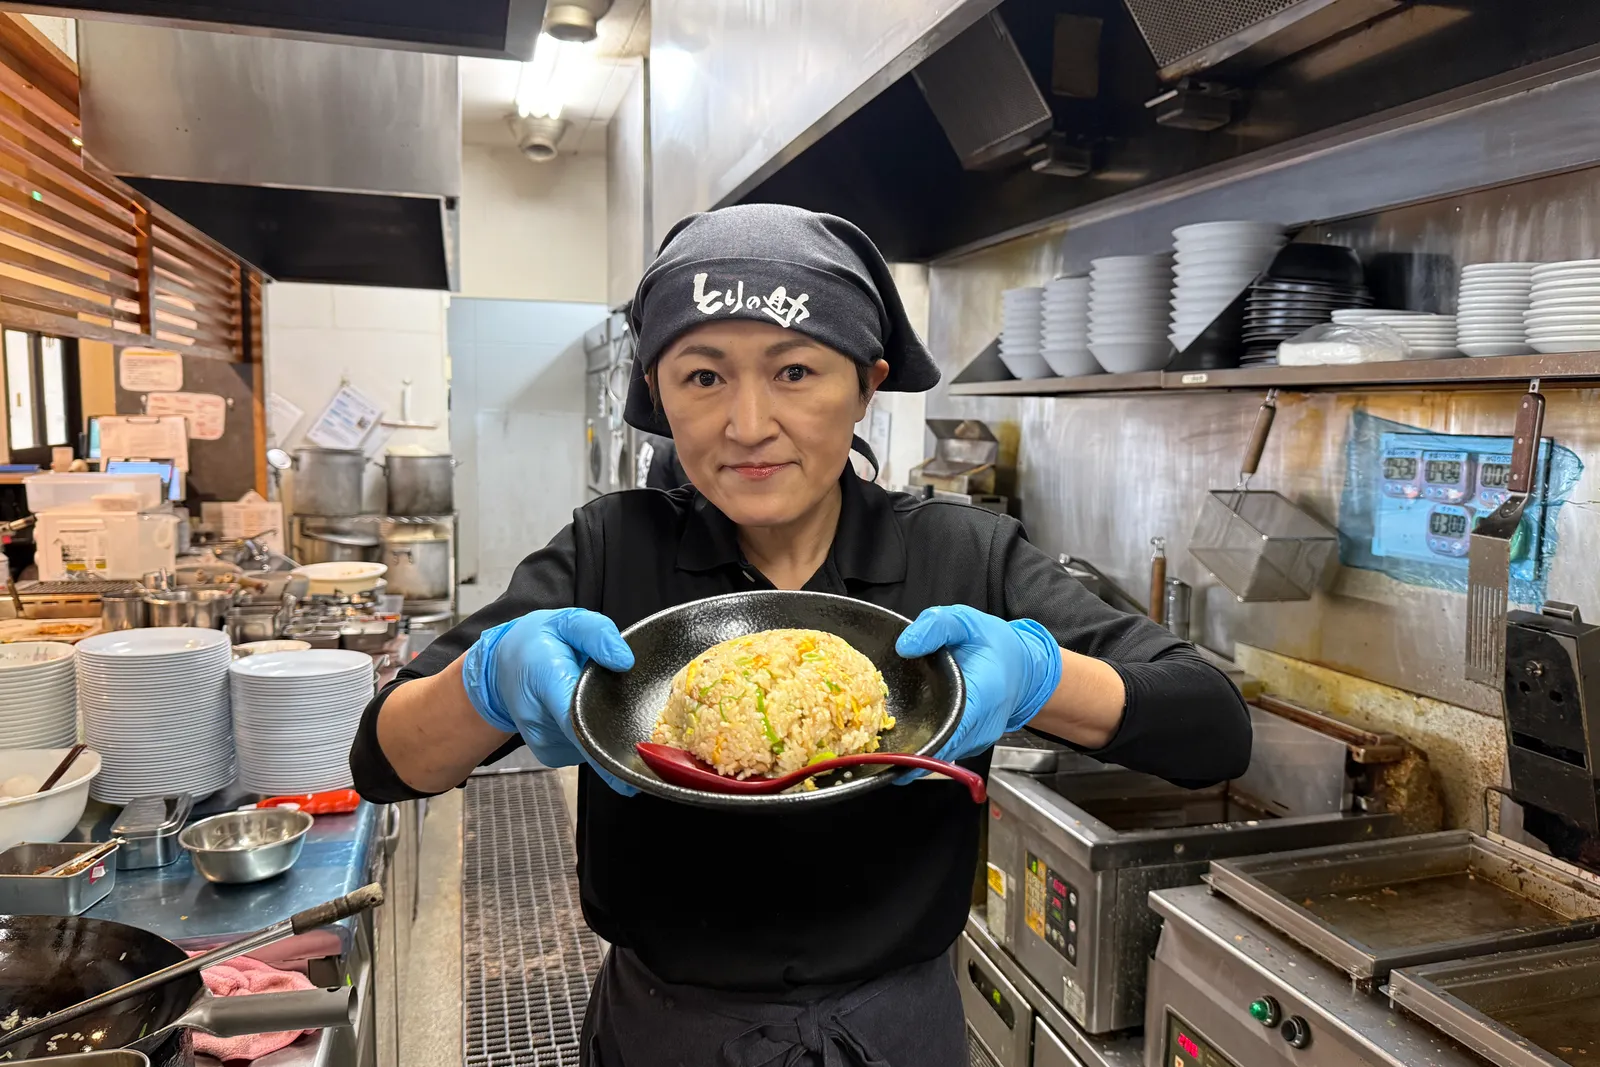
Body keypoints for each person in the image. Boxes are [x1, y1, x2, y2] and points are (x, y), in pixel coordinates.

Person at [350, 204, 1251, 1066]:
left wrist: (1039, 677)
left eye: (795, 371)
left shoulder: (961, 553)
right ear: (661, 394)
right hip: (662, 1032)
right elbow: (385, 759)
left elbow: (1214, 727)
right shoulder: (610, 549)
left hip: (898, 1034)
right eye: (703, 376)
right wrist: (486, 682)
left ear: (868, 385)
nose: (747, 425)